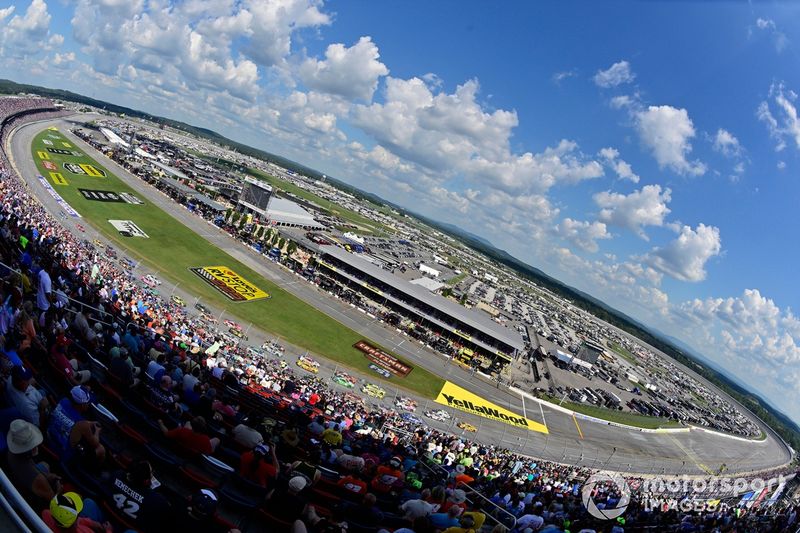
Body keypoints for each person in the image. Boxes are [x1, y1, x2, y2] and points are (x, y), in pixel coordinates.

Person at [6, 419, 60, 511]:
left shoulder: (11, 453)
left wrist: (47, 476)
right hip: (31, 498)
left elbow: (31, 467)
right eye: (32, 444)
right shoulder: (38, 479)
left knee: (45, 465)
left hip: (20, 478)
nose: (36, 446)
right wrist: (59, 490)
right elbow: (55, 503)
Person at [104, 460, 171, 531]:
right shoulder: (155, 500)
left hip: (107, 517)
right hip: (127, 527)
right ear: (146, 481)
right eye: (151, 473)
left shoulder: (117, 474)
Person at [47, 385, 105, 466]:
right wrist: (97, 431)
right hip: (62, 454)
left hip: (48, 440)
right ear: (82, 405)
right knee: (101, 449)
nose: (88, 404)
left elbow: (70, 417)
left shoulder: (63, 400)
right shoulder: (83, 425)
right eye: (87, 403)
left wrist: (88, 423)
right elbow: (95, 442)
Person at [42, 491, 113, 533]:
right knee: (89, 503)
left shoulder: (46, 514)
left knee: (88, 502)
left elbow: (77, 521)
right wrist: (109, 530)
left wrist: (90, 522)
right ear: (74, 523)